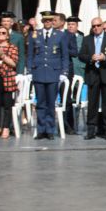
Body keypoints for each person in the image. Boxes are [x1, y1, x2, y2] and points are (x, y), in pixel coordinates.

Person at [27, 11, 69, 140]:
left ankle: (50, 129)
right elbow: (30, 54)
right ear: (42, 21)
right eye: (45, 21)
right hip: (38, 72)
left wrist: (64, 72)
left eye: (50, 20)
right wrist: (29, 71)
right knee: (40, 103)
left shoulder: (60, 35)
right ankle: (41, 129)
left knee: (51, 103)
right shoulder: (35, 34)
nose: (47, 23)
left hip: (53, 73)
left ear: (53, 21)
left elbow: (64, 55)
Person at [79, 17, 106, 140]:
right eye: (93, 26)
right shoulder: (87, 39)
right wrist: (90, 58)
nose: (96, 28)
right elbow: (81, 55)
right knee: (92, 103)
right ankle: (91, 130)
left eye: (98, 25)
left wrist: (105, 57)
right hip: (92, 73)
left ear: (102, 25)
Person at [52, 12, 79, 135]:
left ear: (62, 22)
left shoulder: (69, 35)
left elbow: (74, 52)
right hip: (52, 69)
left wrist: (62, 47)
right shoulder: (50, 34)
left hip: (66, 70)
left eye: (55, 20)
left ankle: (68, 125)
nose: (53, 22)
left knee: (66, 98)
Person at [0, 26, 19, 138]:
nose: (1, 34)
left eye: (3, 33)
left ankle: (6, 127)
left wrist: (3, 56)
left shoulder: (12, 47)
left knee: (7, 104)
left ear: (7, 36)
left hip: (7, 78)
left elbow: (13, 63)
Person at [0, 11, 26, 76]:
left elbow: (21, 56)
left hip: (12, 71)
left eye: (8, 21)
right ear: (1, 22)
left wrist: (20, 73)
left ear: (12, 23)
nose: (5, 23)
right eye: (4, 21)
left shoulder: (18, 37)